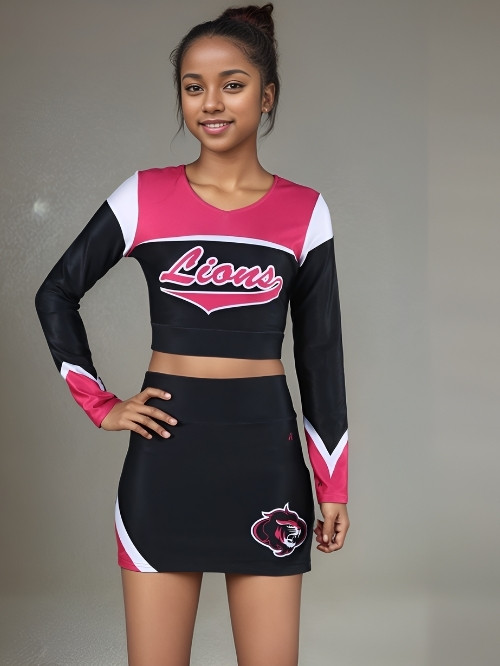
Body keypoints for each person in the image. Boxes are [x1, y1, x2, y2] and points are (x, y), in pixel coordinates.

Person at [35, 4, 350, 665]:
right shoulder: (143, 196)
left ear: (267, 96)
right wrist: (100, 403)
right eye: (193, 86)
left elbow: (320, 356)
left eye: (232, 84)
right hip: (166, 457)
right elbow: (56, 293)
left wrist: (333, 485)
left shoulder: (305, 211)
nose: (211, 102)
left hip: (265, 457)